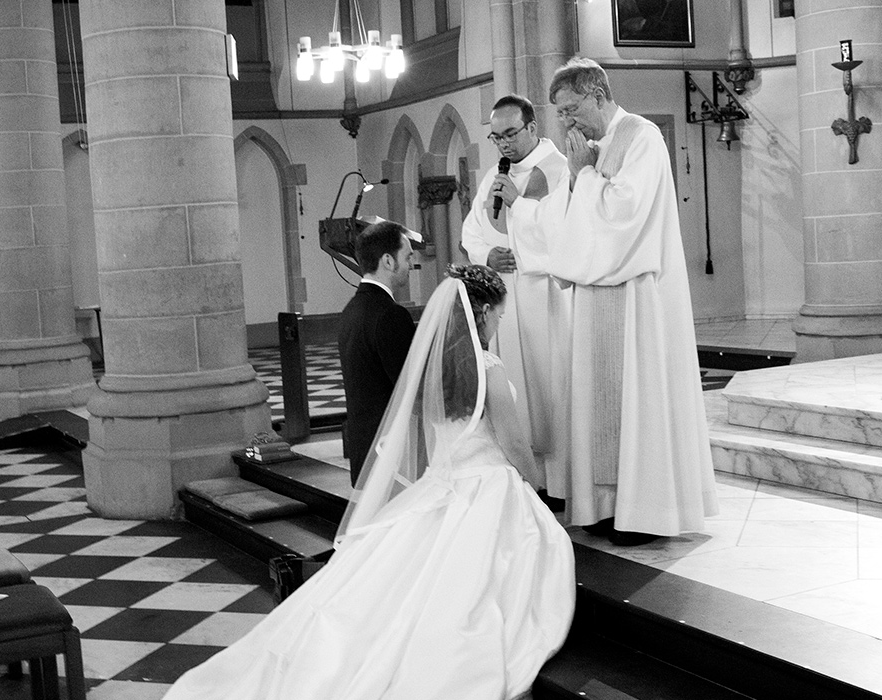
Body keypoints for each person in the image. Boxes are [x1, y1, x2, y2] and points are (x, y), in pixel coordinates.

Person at [165, 266, 575, 700]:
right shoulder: (489, 368)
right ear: (486, 311)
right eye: (500, 315)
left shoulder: (432, 371)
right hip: (490, 485)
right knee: (528, 556)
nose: (500, 324)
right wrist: (537, 487)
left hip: (446, 482)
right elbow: (514, 445)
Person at [531, 57, 718, 546]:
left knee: (633, 401)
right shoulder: (593, 147)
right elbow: (570, 215)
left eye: (572, 109)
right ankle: (599, 506)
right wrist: (577, 179)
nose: (567, 122)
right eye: (561, 114)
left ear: (597, 92)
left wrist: (585, 176)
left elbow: (624, 212)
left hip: (634, 297)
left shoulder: (642, 137)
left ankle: (640, 512)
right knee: (598, 402)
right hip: (597, 294)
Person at [461, 93, 568, 491]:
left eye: (510, 134)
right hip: (506, 297)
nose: (503, 144)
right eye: (496, 137)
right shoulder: (493, 176)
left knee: (550, 384)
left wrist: (520, 237)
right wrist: (489, 254)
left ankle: (560, 482)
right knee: (516, 388)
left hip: (546, 296)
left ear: (532, 127)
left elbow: (564, 231)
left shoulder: (558, 170)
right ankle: (526, 474)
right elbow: (472, 230)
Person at [338, 221, 418, 484]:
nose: (410, 265)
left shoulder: (351, 309)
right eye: (406, 256)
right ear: (387, 260)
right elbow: (411, 390)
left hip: (364, 452)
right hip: (390, 457)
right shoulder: (390, 315)